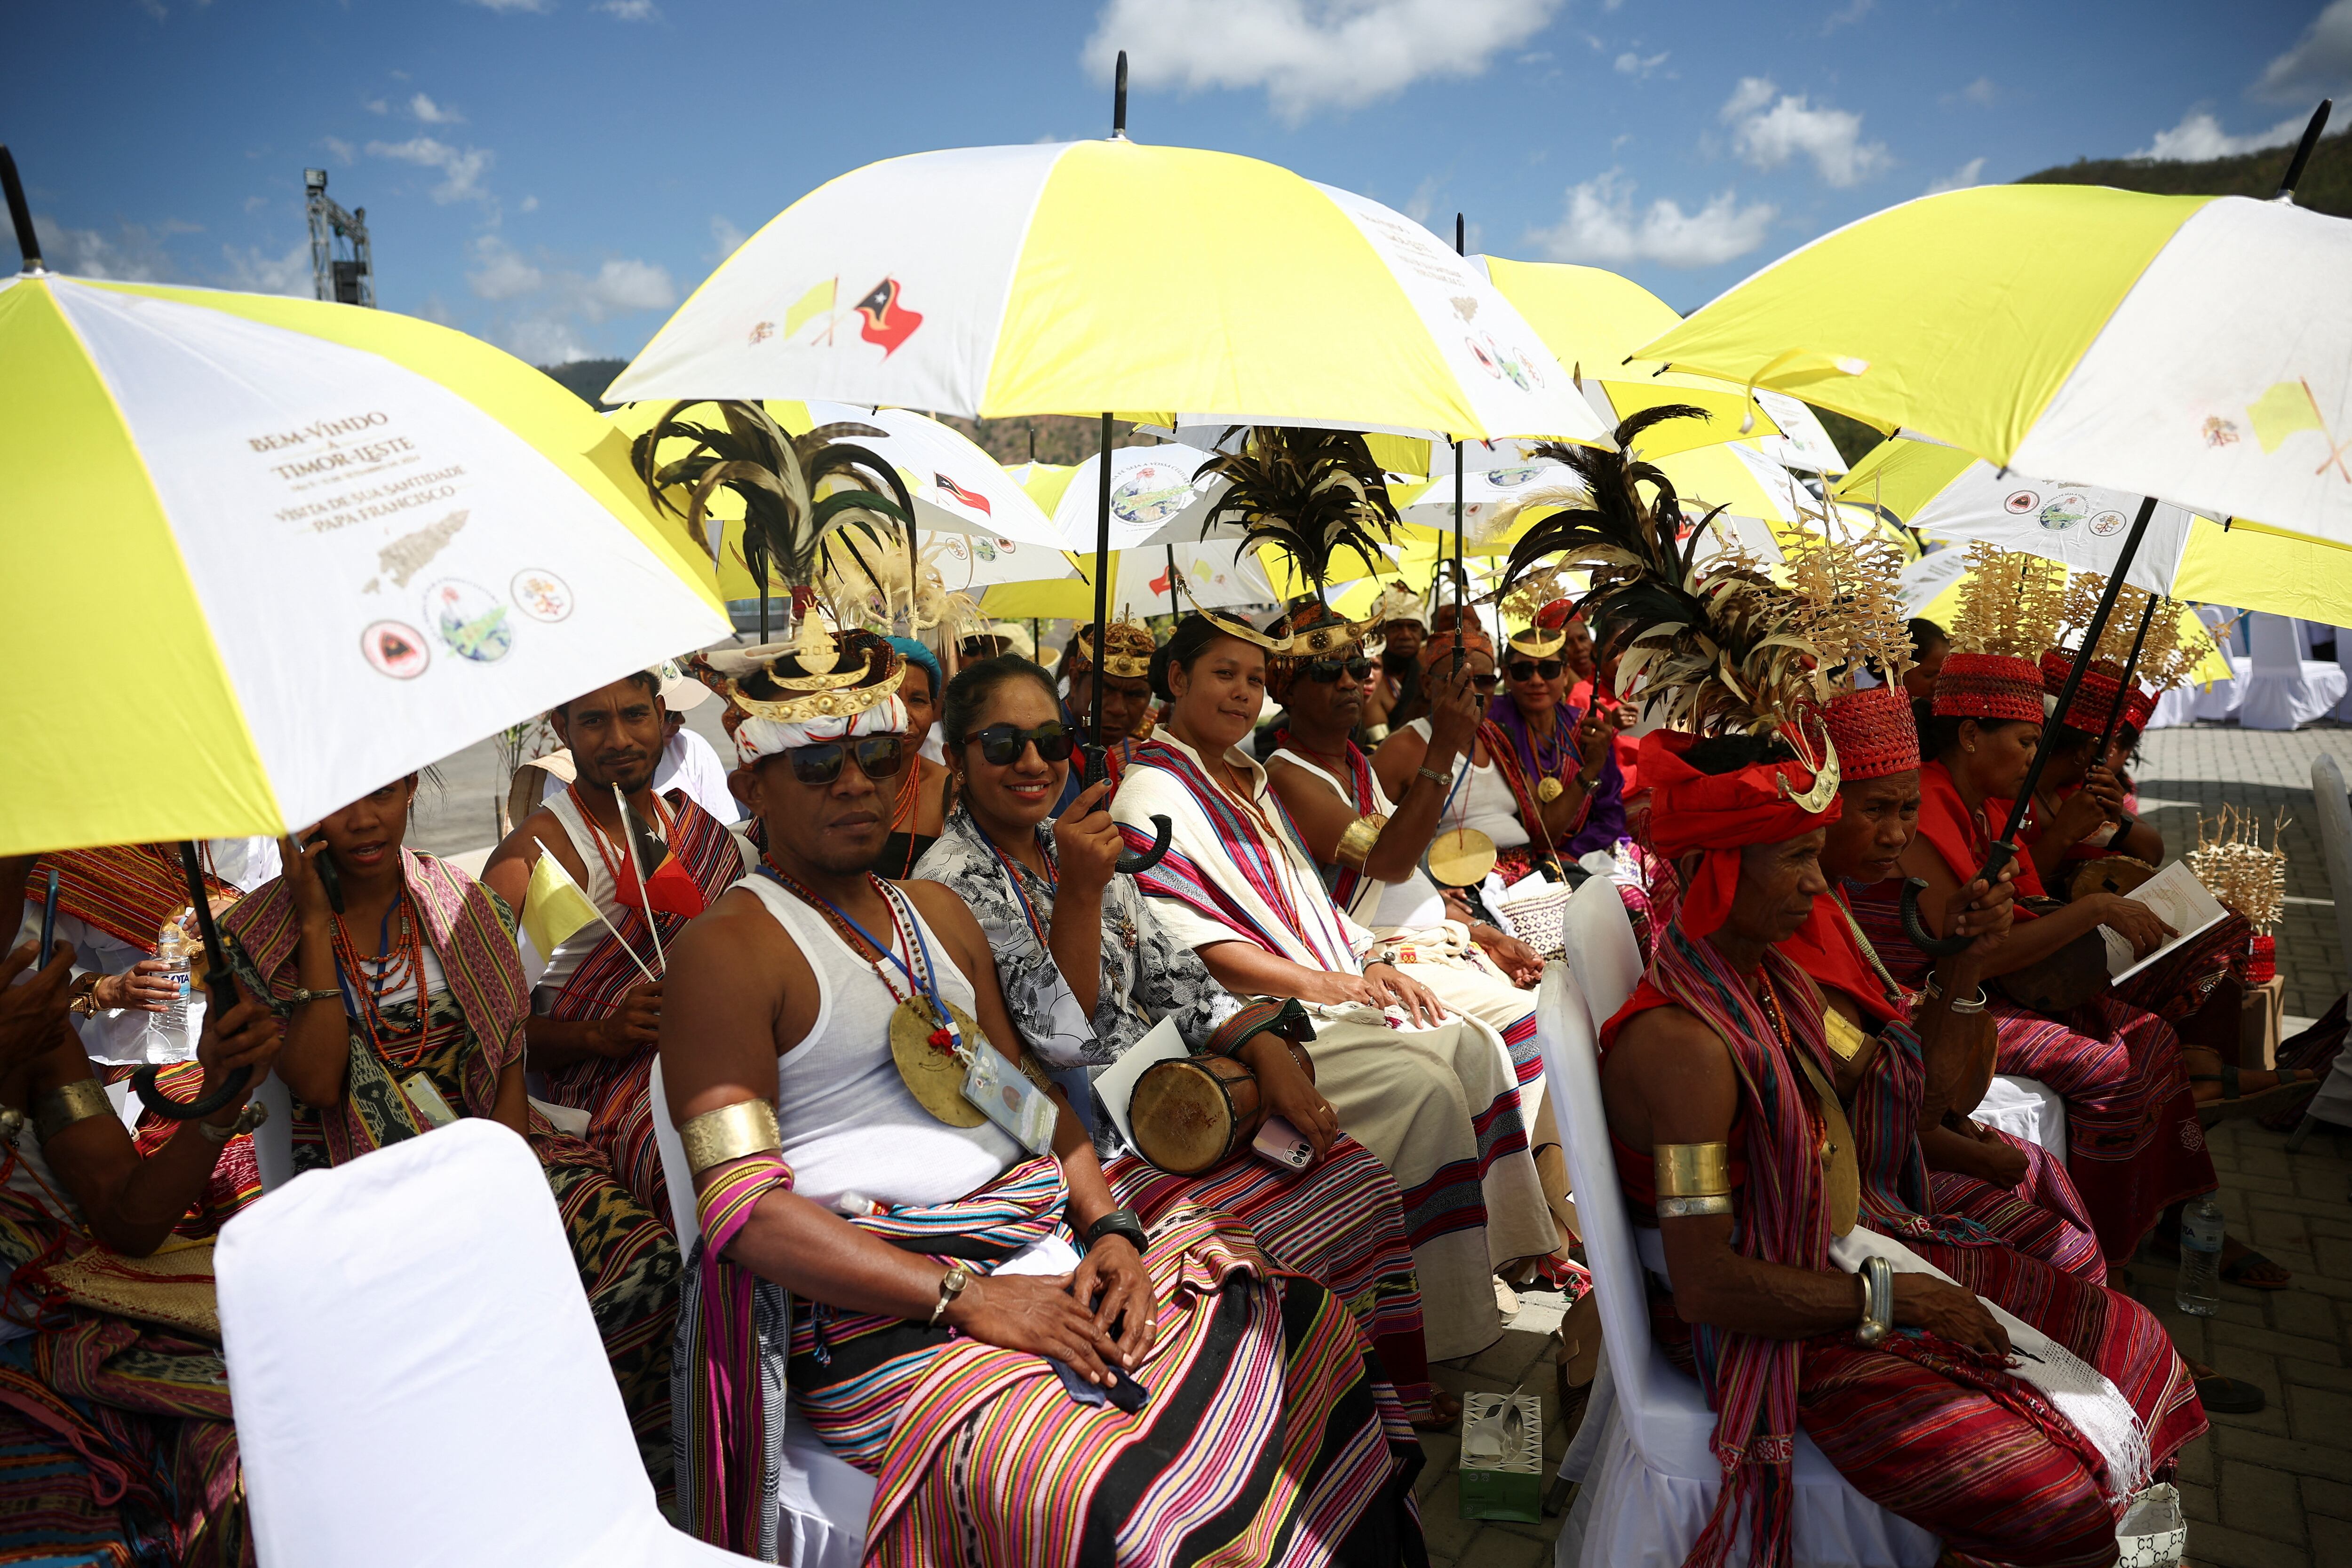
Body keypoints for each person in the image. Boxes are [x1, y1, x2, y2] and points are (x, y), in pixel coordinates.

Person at [658, 625, 1423, 1563]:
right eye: (818, 764)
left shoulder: (923, 914)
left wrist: (1110, 1226)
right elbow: (743, 1213)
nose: (854, 783)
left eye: (874, 756)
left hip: (1030, 1240)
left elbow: (1021, 1098)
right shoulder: (727, 950)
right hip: (884, 1304)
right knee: (1121, 1490)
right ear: (750, 788)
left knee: (1303, 1328)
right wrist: (969, 1297)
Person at [1603, 729, 2203, 1568]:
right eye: (1795, 859)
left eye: (1818, 854)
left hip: (1836, 1250)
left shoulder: (1772, 980)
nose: (1819, 881)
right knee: (2053, 1499)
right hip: (1763, 1322)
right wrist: (1900, 1299)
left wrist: (1963, 961)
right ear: (1717, 868)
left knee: (2138, 1343)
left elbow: (1914, 1093)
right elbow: (1707, 1286)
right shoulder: (1687, 1046)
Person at [913, 653, 1452, 1425]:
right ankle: (1286, 1426)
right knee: (1253, 1251)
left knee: (1352, 1175)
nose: (1032, 762)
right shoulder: (952, 881)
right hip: (1079, 1140)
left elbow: (1182, 978)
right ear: (958, 755)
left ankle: (1370, 1406)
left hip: (1178, 1094)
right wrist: (1080, 890)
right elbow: (1062, 1039)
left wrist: (1269, 1054)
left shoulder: (1075, 836)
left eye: (1050, 739)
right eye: (1002, 744)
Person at [1111, 611, 1563, 1357]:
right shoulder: (1151, 794)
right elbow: (1195, 946)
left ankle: (1491, 1265)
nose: (1242, 694)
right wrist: (1326, 982)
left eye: (1255, 678)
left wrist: (1366, 962)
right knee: (1427, 1078)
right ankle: (1425, 1335)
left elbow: (1307, 905)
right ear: (1177, 680)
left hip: (1335, 971)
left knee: (1477, 1043)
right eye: (1224, 675)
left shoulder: (1246, 776)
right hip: (1255, 1015)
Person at [223, 777, 682, 1484]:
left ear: (410, 786)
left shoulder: (463, 902)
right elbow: (315, 1084)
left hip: (498, 1149)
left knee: (647, 1264)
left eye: (380, 792)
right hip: (364, 1173)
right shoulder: (263, 933)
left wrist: (504, 1192)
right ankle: (507, 1480)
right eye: (337, 799)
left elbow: (506, 1059)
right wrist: (314, 925)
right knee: (467, 1328)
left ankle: (607, 1475)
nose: (363, 818)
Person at [1856, 626, 2301, 1291]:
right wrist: (2093, 909)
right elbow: (1980, 951)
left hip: (1981, 990)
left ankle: (2162, 1221)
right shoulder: (1924, 807)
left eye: (2041, 742)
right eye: (2028, 741)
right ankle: (2108, 1265)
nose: (2038, 757)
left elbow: (2022, 912)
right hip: (1927, 1007)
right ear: (1972, 734)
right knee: (2111, 1063)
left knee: (2147, 1035)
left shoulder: (1980, 807)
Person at [1260, 608, 1578, 1266]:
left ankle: (1556, 1208)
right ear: (1285, 685)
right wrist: (1442, 749)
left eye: (1357, 667)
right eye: (1327, 670)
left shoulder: (1353, 762)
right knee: (1528, 1024)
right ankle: (1537, 1225)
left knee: (1564, 1009)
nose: (1350, 681)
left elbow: (1411, 885)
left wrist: (1482, 932)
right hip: (1381, 958)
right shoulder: (1288, 770)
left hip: (1440, 944)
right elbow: (1389, 863)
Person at [1788, 678, 2110, 1283]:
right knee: (2064, 1246)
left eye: (1906, 810)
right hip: (1843, 1201)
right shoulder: (1791, 932)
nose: (1895, 835)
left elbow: (1910, 1095)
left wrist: (1965, 955)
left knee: (2045, 1173)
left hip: (1899, 1120)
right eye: (1874, 810)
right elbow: (1890, 1113)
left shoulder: (1831, 897)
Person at [0, 964, 280, 1568]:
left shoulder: (37, 1031)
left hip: (79, 1332)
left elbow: (128, 1221)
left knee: (274, 1468)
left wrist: (224, 1093)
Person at [485, 670, 744, 1225]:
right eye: (595, 720)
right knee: (719, 1173)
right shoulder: (527, 860)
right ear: (562, 728)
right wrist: (601, 1034)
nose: (620, 739)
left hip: (728, 1053)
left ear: (659, 715)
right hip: (610, 1094)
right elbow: (489, 1037)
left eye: (633, 715)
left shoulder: (697, 831)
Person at [17, 839, 280, 1235]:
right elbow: (28, 984)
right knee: (234, 1170)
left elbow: (297, 928)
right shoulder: (83, 851)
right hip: (152, 1062)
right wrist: (107, 990)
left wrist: (253, 916)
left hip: (263, 1041)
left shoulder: (252, 834)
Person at [1373, 621, 1618, 886]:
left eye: (1485, 681)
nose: (1474, 692)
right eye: (1458, 681)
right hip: (1458, 883)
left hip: (1527, 873)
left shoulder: (1498, 738)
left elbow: (1544, 832)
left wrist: (1589, 772)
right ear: (1428, 685)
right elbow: (1373, 850)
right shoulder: (1403, 748)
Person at [2018, 648, 2165, 887]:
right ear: (2087, 749)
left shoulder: (2084, 786)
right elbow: (2012, 889)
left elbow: (2154, 853)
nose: (2110, 754)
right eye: (2110, 745)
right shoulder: (2008, 791)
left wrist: (2118, 819)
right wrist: (2063, 834)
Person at [871, 635, 953, 878]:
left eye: (918, 700)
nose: (903, 717)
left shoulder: (952, 790)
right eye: (889, 698)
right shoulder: (825, 785)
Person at [1354, 580, 1426, 744]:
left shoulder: (1426, 670)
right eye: (1396, 627)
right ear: (1379, 634)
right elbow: (1380, 747)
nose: (1406, 635)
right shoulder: (1370, 681)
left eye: (1413, 627)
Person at [1903, 617, 1949, 702]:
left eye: (1946, 674)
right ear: (1897, 668)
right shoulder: (1880, 710)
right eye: (1929, 675)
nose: (1940, 685)